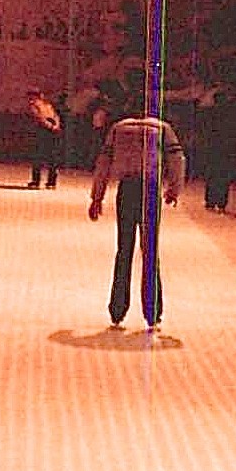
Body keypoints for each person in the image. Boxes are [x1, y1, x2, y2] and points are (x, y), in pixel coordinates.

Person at [89, 106, 185, 330]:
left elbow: (103, 164)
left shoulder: (118, 129)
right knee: (150, 250)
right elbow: (177, 159)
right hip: (150, 191)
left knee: (124, 249)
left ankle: (117, 309)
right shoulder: (162, 129)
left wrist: (97, 197)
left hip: (127, 189)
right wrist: (174, 189)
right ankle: (152, 312)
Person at [201, 88, 236, 213]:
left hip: (213, 147)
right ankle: (221, 204)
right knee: (223, 176)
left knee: (212, 175)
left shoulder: (210, 113)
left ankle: (210, 202)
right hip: (226, 148)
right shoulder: (232, 115)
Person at [26, 88, 62, 189]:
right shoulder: (48, 106)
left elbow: (39, 117)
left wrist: (49, 126)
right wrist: (56, 126)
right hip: (53, 130)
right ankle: (51, 182)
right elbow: (56, 117)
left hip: (42, 131)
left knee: (38, 156)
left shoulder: (34, 105)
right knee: (52, 157)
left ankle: (36, 181)